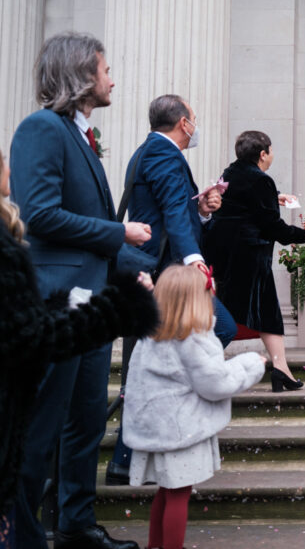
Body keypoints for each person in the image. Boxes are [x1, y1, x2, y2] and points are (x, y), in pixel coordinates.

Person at [10, 32, 151, 549]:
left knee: (87, 422)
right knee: (40, 429)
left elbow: (86, 230)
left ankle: (75, 524)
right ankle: (23, 534)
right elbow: (41, 216)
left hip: (92, 307)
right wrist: (121, 233)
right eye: (105, 69)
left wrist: (139, 266)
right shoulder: (40, 128)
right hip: (56, 307)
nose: (112, 78)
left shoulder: (80, 135)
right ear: (81, 74)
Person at [108, 95, 239, 484]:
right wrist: (194, 260)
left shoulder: (148, 152)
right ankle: (165, 426)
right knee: (220, 328)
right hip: (164, 273)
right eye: (194, 119)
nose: (195, 126)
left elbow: (177, 212)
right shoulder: (164, 154)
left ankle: (126, 458)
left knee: (154, 359)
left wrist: (202, 209)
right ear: (183, 123)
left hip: (159, 268)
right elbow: (169, 214)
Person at [123, 265, 266, 549]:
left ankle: (155, 545)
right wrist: (250, 364)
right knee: (178, 494)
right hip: (183, 429)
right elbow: (215, 383)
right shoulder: (193, 337)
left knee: (165, 492)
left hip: (160, 426)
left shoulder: (151, 333)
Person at [203, 130, 305, 392]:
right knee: (254, 314)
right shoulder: (261, 180)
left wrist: (275, 197)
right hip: (251, 257)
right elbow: (271, 226)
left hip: (227, 256)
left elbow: (241, 203)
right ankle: (203, 362)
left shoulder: (229, 173)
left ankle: (281, 368)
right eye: (271, 150)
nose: (273, 155)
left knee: (260, 313)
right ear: (263, 154)